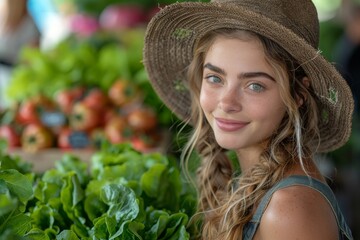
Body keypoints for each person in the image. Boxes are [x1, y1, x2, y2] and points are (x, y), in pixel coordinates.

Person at [143, 0, 355, 239]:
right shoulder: (257, 185)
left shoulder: (290, 211)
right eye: (215, 78)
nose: (226, 102)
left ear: (298, 95)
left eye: (255, 85)